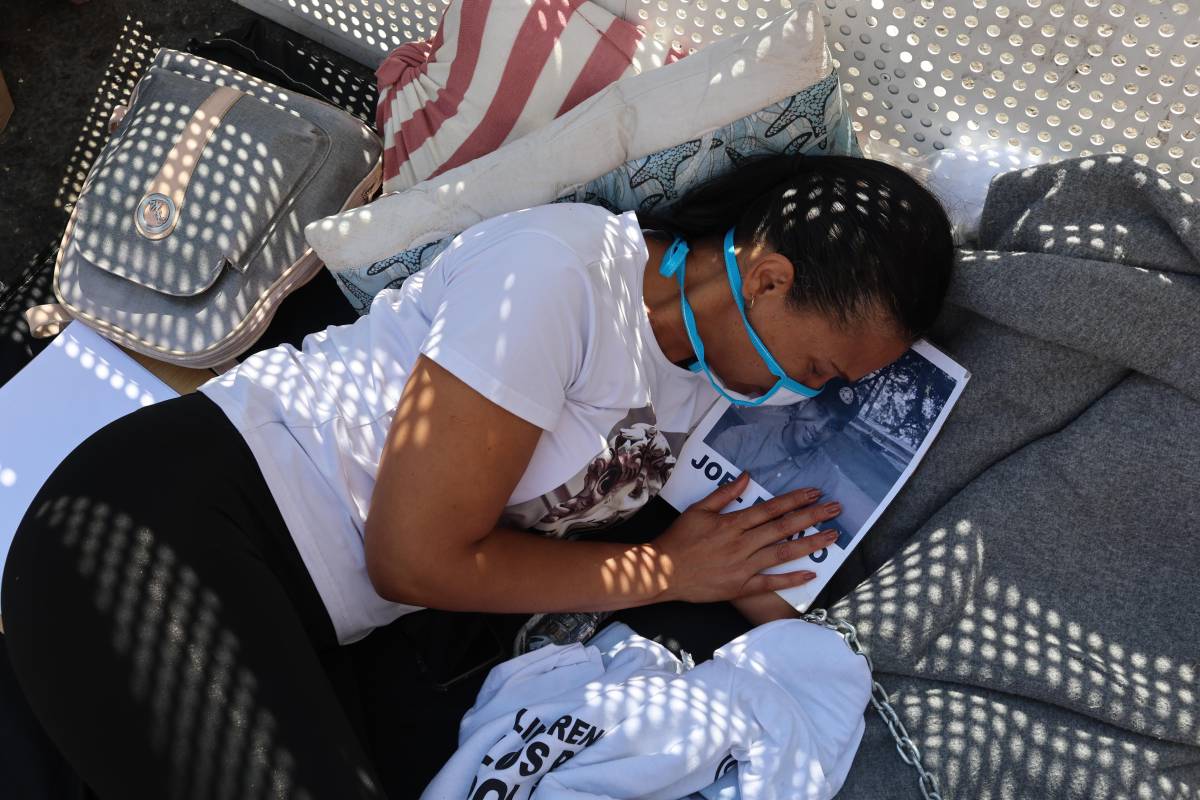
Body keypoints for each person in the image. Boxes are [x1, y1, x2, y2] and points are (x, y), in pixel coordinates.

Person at [1, 152, 954, 798]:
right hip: (180, 528)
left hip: (304, 620)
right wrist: (665, 571)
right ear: (772, 278)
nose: (808, 393)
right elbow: (412, 558)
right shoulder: (564, 273)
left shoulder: (712, 382)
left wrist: (824, 650)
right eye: (820, 367)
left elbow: (747, 569)